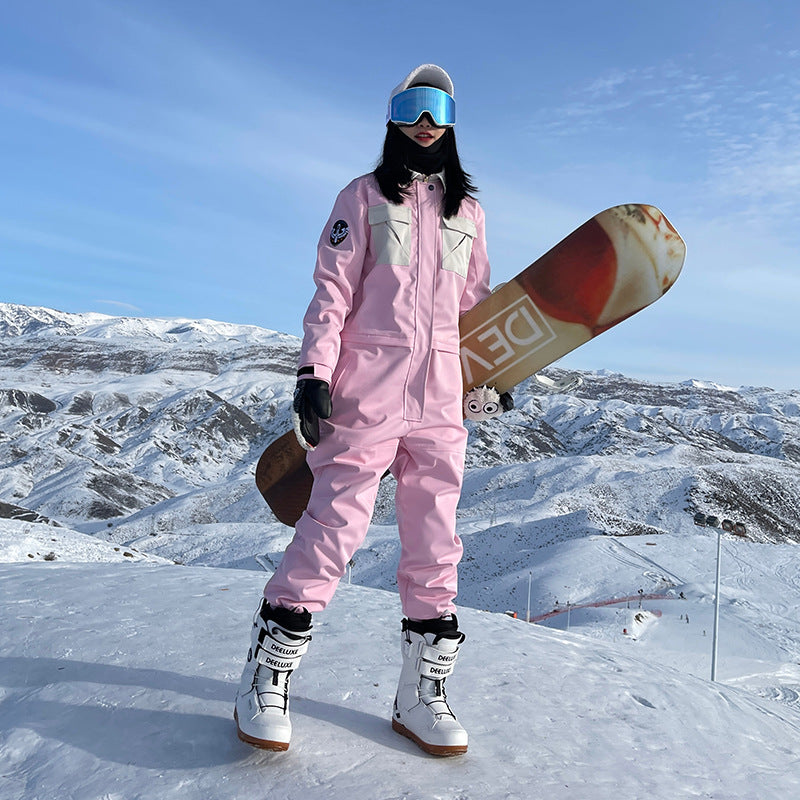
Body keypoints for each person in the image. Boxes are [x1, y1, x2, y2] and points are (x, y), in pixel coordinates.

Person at [234, 64, 511, 757]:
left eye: (438, 107)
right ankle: (267, 673)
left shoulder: (467, 212)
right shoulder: (360, 197)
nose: (426, 119)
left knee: (434, 540)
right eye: (413, 106)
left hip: (443, 394)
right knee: (335, 524)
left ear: (451, 121)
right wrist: (313, 372)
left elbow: (474, 307)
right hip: (371, 385)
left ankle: (421, 695)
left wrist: (490, 376)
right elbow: (331, 292)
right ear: (393, 118)